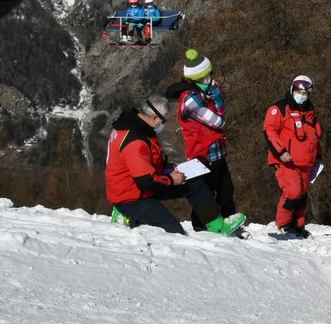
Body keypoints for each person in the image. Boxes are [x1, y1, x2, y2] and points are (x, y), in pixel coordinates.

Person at [105, 94, 245, 236]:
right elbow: (146, 181)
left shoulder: (136, 127)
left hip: (138, 187)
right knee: (174, 233)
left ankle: (217, 226)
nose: (163, 125)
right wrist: (172, 179)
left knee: (194, 182)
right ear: (154, 117)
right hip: (131, 197)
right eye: (163, 120)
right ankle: (126, 215)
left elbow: (146, 161)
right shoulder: (136, 141)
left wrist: (170, 168)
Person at [165, 48, 238, 230]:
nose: (210, 78)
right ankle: (201, 226)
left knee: (226, 190)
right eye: (207, 75)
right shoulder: (190, 99)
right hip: (203, 154)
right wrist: (216, 93)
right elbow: (218, 121)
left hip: (216, 151)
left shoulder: (200, 94)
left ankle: (228, 222)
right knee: (206, 195)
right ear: (199, 77)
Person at [264, 74, 322, 239]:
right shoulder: (280, 108)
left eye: (305, 93)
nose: (302, 95)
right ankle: (284, 223)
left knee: (302, 194)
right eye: (299, 91)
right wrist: (280, 152)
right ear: (292, 89)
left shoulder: (309, 111)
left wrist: (318, 155)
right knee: (293, 191)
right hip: (287, 160)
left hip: (306, 160)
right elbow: (269, 131)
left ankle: (298, 224)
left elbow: (315, 135)